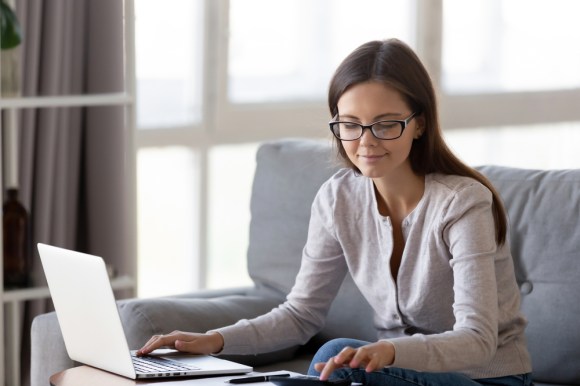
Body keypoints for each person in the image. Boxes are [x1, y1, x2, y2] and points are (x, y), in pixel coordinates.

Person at [137, 39, 533, 386]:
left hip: (488, 378)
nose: (365, 142)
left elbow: (478, 340)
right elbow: (300, 314)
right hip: (392, 378)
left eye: (385, 124)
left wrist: (389, 353)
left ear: (419, 124)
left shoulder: (463, 203)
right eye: (350, 125)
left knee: (338, 353)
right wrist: (213, 341)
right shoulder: (337, 199)